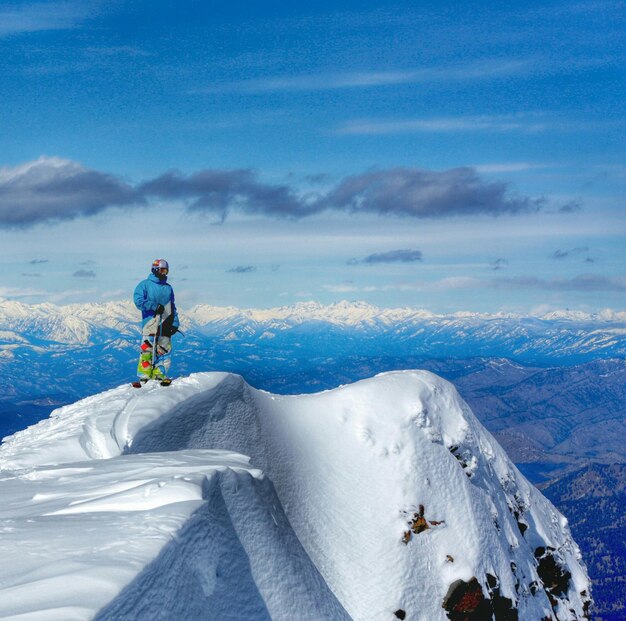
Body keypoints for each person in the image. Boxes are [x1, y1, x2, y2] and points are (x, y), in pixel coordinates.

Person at [133, 258, 180, 382]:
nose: (164, 273)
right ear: (155, 269)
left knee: (164, 349)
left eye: (166, 271)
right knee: (147, 349)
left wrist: (175, 323)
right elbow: (138, 301)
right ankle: (144, 375)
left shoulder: (168, 288)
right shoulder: (144, 285)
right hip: (150, 322)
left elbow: (172, 306)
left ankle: (160, 373)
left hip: (166, 321)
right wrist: (153, 306)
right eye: (162, 270)